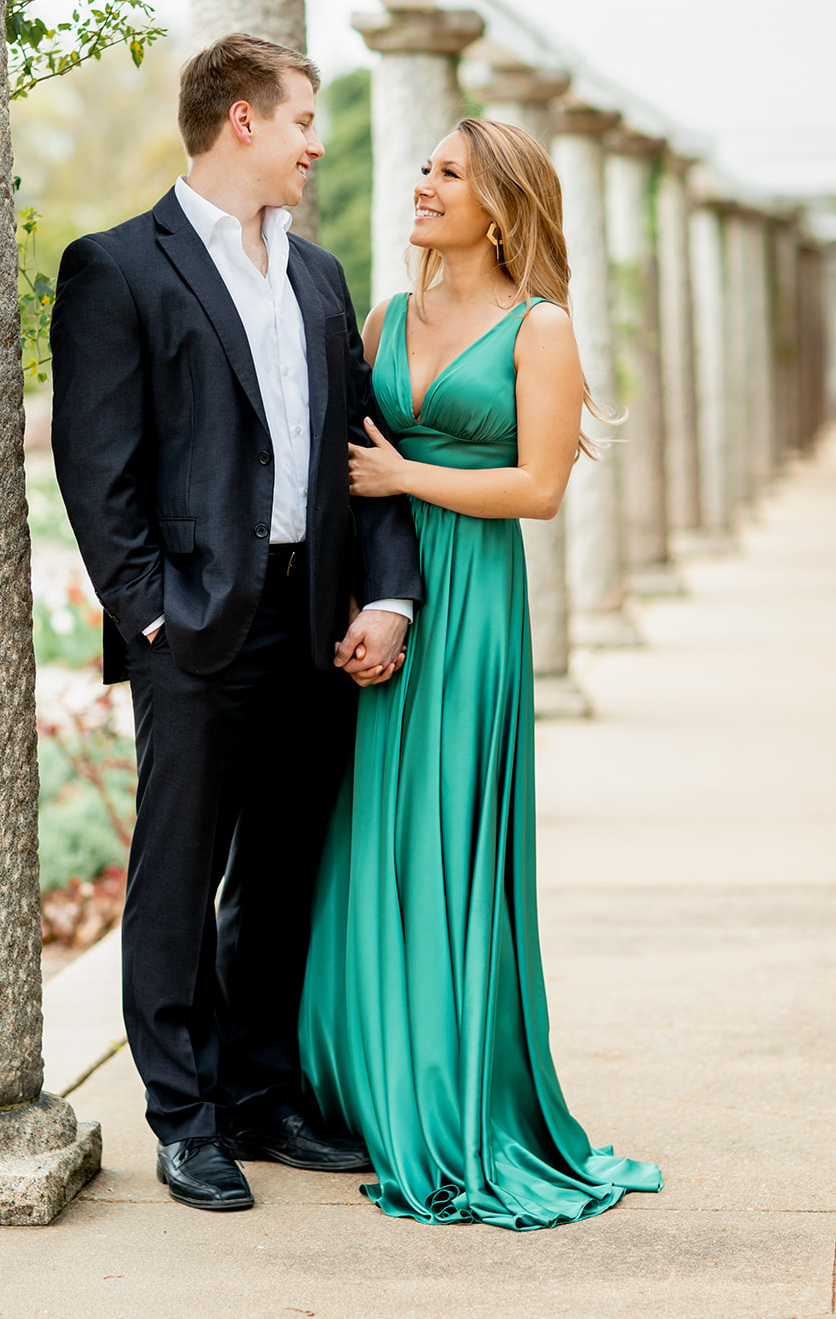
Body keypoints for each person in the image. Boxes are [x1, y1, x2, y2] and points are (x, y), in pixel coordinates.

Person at [49, 33, 422, 1213]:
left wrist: (384, 591)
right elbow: (95, 470)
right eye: (304, 119)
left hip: (314, 618)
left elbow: (361, 453)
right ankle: (183, 1116)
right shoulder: (116, 267)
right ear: (244, 122)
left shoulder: (318, 276)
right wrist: (150, 615)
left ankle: (261, 1098)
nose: (318, 141)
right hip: (196, 628)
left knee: (281, 869)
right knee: (177, 872)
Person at [298, 118, 663, 1228]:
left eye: (444, 173)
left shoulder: (538, 327)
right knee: (376, 833)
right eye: (424, 167)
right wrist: (371, 598)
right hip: (395, 590)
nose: (420, 184)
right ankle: (363, 1073)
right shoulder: (386, 314)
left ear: (497, 205)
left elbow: (538, 488)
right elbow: (349, 471)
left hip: (477, 606)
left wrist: (408, 468)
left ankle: (456, 1088)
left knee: (450, 830)